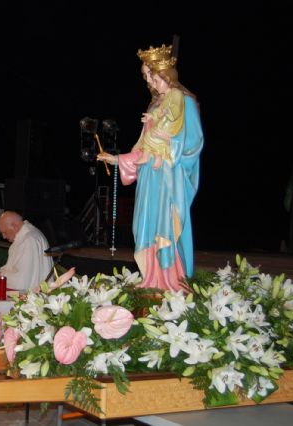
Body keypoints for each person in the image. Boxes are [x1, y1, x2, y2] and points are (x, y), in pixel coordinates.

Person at [98, 44, 203, 291]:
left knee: (165, 226)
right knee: (144, 226)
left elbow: (194, 142)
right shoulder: (154, 107)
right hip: (149, 177)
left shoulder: (185, 102)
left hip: (168, 176)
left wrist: (165, 149)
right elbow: (143, 145)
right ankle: (152, 279)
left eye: (152, 76)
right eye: (146, 77)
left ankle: (171, 283)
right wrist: (118, 159)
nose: (150, 82)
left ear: (166, 74)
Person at [0, 211, 53, 292]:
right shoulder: (25, 238)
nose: (4, 237)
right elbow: (12, 268)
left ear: (14, 226)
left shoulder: (29, 240)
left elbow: (21, 280)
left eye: (4, 232)